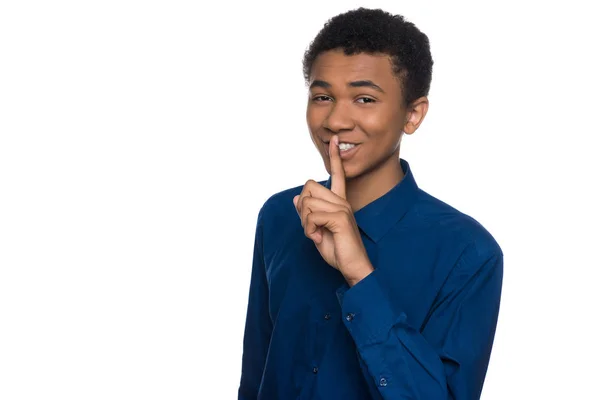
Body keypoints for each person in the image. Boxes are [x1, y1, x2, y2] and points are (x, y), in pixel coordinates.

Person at [238, 7, 503, 400]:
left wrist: (360, 274)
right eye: (323, 96)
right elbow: (255, 378)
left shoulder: (469, 253)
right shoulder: (280, 215)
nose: (336, 120)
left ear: (413, 114)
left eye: (364, 99)